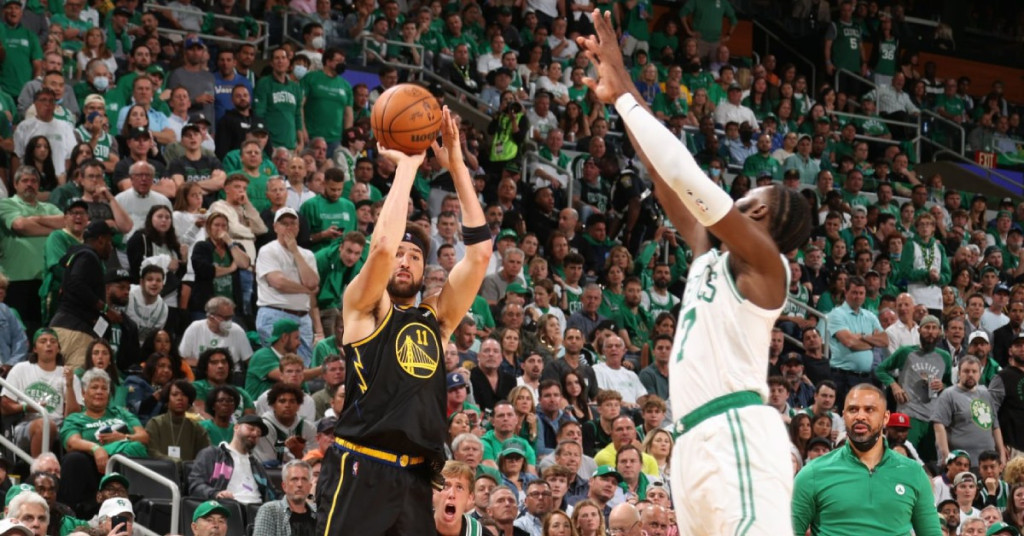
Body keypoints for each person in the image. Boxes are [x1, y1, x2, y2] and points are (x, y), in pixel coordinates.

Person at [578, 11, 813, 533]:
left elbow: (686, 174)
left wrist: (624, 89)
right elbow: (667, 177)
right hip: (690, 442)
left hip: (737, 432)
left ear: (759, 211)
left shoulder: (767, 266)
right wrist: (621, 95)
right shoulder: (713, 254)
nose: (739, 194)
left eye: (751, 193)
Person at [318, 107, 491, 534]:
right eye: (401, 252)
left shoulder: (436, 318)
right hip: (360, 465)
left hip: (417, 477)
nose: (404, 260)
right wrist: (408, 167)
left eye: (415, 256)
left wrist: (457, 167)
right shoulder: (363, 306)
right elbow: (380, 248)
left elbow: (480, 254)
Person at [791, 384, 942, 535]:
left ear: (885, 418)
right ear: (844, 416)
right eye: (853, 409)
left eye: (869, 409)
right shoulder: (813, 473)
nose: (860, 416)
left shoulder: (914, 473)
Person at [876, 315, 952, 462]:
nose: (930, 332)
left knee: (931, 462)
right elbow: (880, 369)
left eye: (934, 328)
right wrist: (894, 385)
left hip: (933, 418)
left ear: (939, 332)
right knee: (906, 457)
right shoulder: (906, 352)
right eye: (927, 327)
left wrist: (943, 386)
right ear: (919, 330)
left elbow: (950, 384)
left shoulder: (945, 357)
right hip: (909, 414)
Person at [254, 207, 320, 363]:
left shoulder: (307, 255)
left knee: (302, 366)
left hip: (303, 317)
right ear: (275, 227)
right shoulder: (268, 250)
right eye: (284, 223)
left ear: (298, 227)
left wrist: (295, 252)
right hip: (275, 313)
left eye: (293, 223)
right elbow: (279, 282)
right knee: (280, 365)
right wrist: (306, 290)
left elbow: (312, 282)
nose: (289, 227)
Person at [188, 414, 276, 504]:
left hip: (258, 508)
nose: (255, 434)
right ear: (236, 427)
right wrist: (215, 494)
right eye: (251, 429)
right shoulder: (213, 455)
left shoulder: (256, 465)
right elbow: (195, 484)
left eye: (258, 433)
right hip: (227, 506)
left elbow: (273, 493)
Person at [145, 379, 210, 462]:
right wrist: (172, 461)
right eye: (175, 395)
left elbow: (206, 456)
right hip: (157, 469)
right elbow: (151, 451)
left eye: (184, 395)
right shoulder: (155, 424)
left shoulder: (197, 429)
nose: (180, 398)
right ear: (167, 399)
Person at [251, 459, 316, 536]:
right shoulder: (270, 511)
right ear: (284, 486)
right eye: (294, 479)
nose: (300, 484)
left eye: (304, 479)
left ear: (310, 486)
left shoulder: (318, 513)